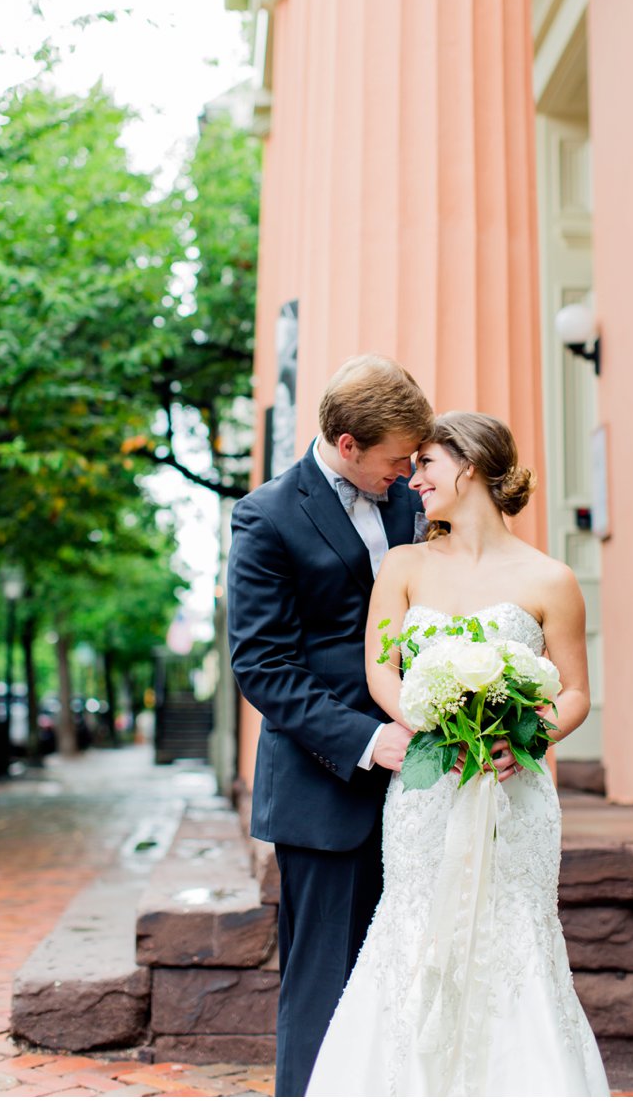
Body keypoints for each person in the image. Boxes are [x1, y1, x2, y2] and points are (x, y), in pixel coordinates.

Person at [306, 411, 610, 1097]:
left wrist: (523, 736)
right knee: (414, 924)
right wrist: (427, 717)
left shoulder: (550, 578)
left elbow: (575, 693)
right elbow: (380, 668)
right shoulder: (404, 565)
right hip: (428, 787)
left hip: (512, 792)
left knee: (513, 934)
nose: (412, 481)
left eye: (426, 466)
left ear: (467, 465)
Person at [227, 354, 435, 1098]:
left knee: (407, 982)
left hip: (425, 781)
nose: (408, 471)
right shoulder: (267, 516)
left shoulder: (413, 499)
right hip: (325, 791)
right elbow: (262, 666)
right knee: (324, 990)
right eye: (394, 458)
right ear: (347, 444)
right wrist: (367, 739)